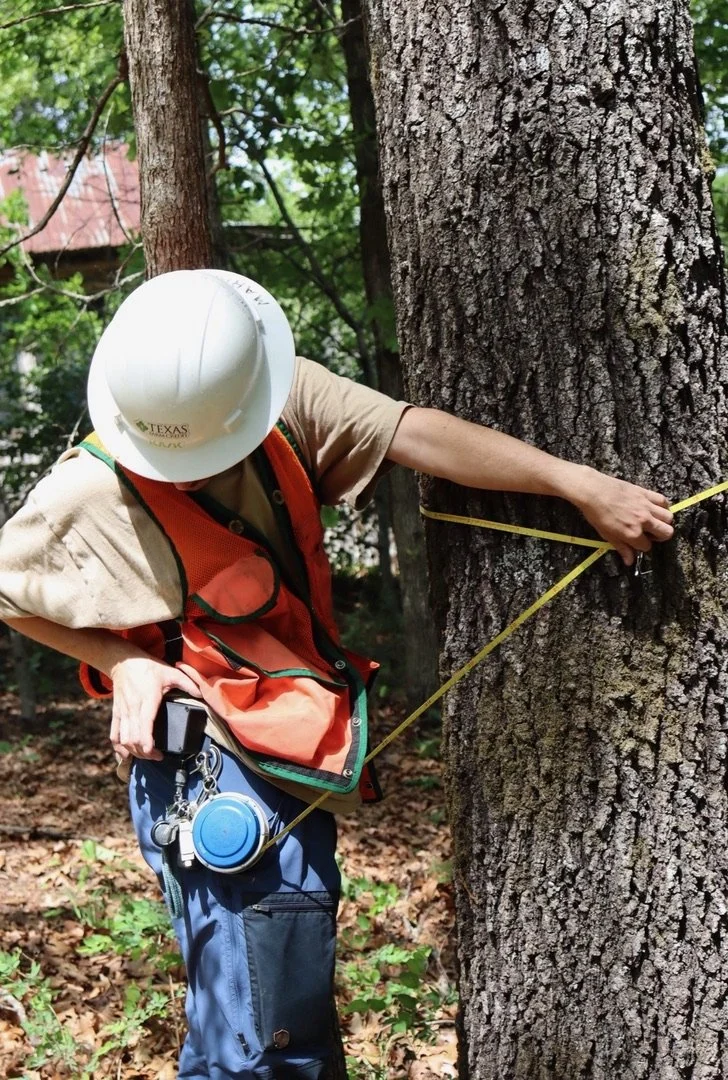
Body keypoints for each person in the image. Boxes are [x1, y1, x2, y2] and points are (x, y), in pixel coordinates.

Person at [0, 269, 675, 1079]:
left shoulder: (276, 399)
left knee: (269, 1026)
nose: (182, 474)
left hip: (293, 743)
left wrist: (578, 483)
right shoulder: (86, 491)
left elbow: (413, 432)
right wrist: (126, 661)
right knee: (264, 1038)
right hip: (209, 765)